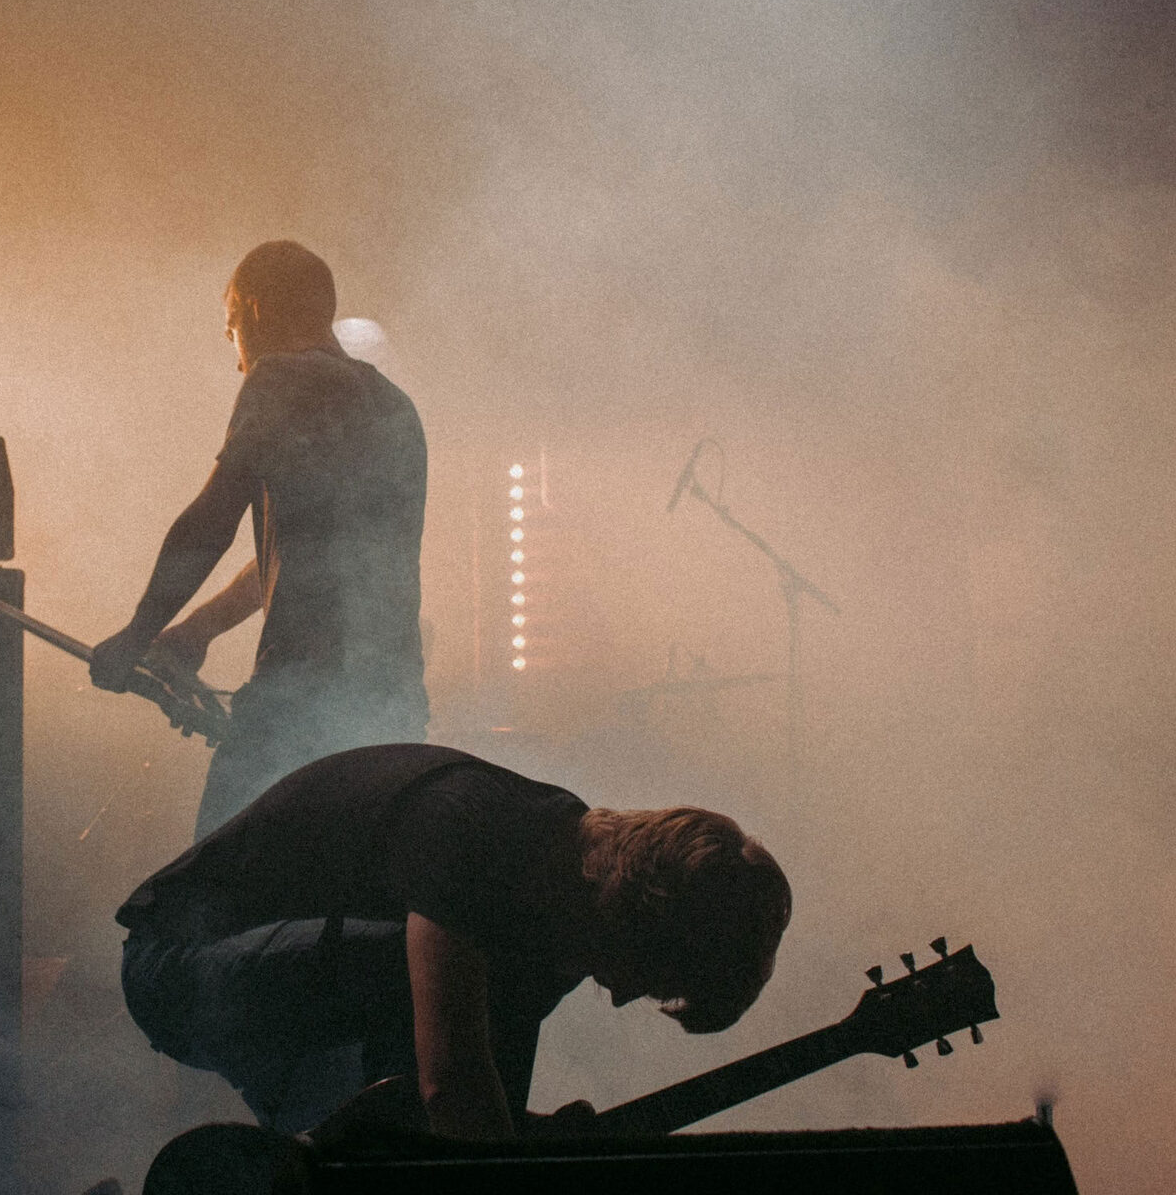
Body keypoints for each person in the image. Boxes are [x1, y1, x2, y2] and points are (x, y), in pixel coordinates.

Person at [116, 743, 791, 1138]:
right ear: (635, 913)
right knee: (407, 978)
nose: (619, 997)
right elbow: (453, 1089)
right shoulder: (473, 830)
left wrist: (536, 1137)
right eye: (645, 973)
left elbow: (474, 1124)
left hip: (292, 1002)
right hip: (172, 968)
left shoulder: (548, 930)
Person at [90, 241, 429, 838]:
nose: (237, 361)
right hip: (393, 708)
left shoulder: (281, 378)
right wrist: (198, 630)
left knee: (216, 896)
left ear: (253, 309)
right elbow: (299, 551)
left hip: (300, 702)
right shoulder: (395, 407)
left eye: (230, 332)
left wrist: (134, 637)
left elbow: (207, 524)